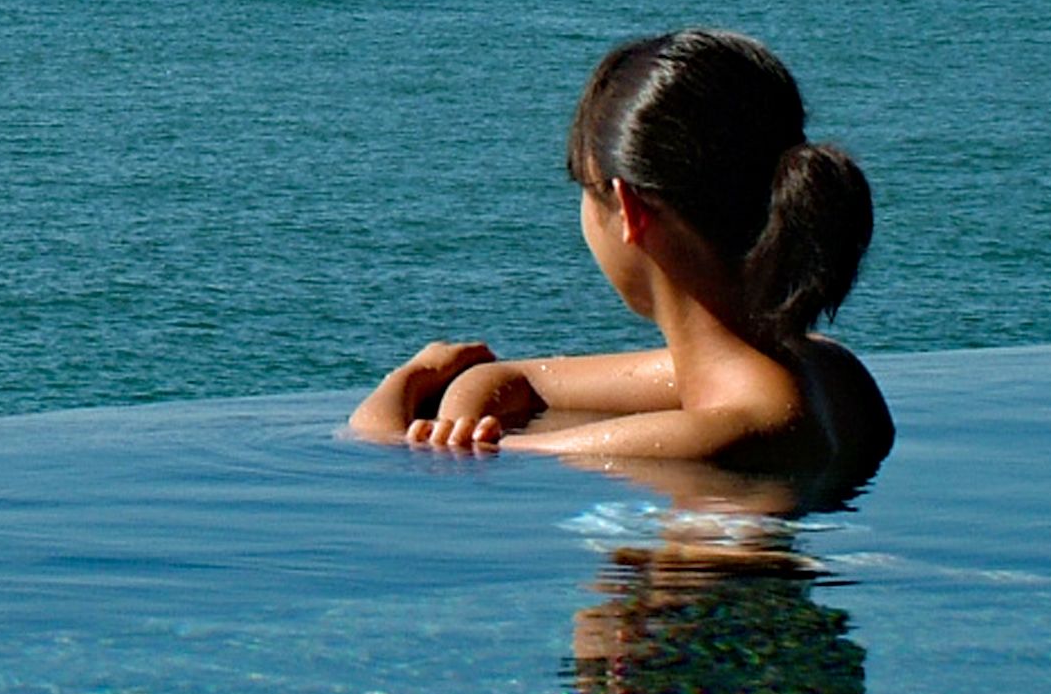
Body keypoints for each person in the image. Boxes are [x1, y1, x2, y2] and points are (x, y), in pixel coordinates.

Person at [348, 29, 890, 469]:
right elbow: (515, 379)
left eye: (584, 192)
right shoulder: (834, 371)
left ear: (628, 210)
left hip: (694, 601)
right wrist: (463, 406)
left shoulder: (709, 438)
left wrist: (411, 379)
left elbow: (385, 445)